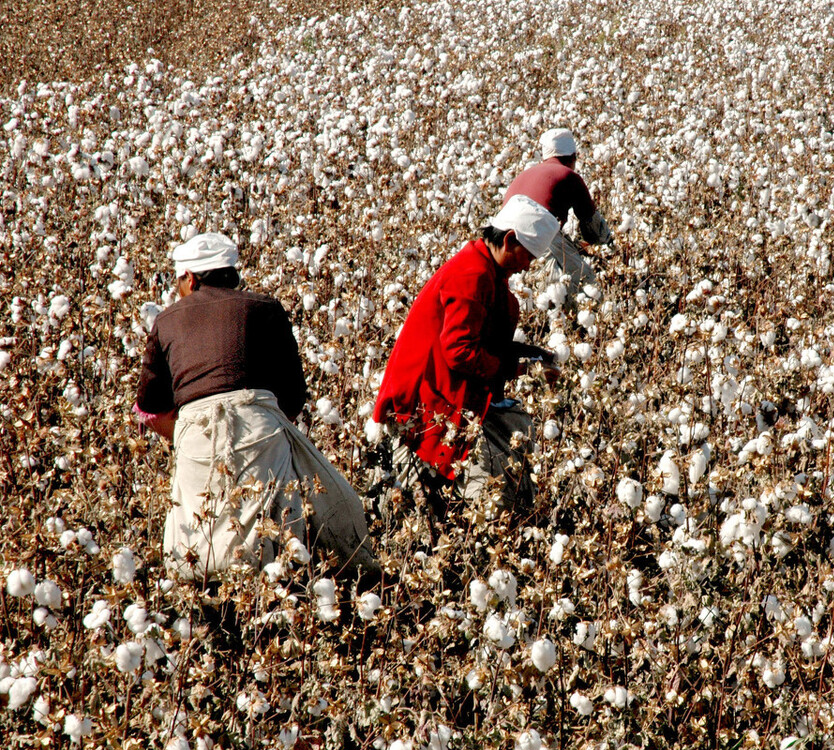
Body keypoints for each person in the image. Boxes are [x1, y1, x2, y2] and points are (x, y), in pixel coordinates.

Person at [136, 233, 377, 580]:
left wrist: (188, 429)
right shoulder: (264, 308)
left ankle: (213, 616)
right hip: (260, 429)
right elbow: (293, 394)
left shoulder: (167, 321)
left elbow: (149, 403)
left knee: (198, 545)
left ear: (190, 277)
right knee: (284, 537)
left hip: (195, 438)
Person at [372, 195, 560, 516]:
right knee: (464, 502)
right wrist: (512, 369)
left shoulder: (486, 272)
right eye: (528, 256)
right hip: (423, 403)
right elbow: (460, 351)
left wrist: (534, 359)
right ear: (510, 238)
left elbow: (484, 343)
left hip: (444, 397)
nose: (527, 265)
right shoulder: (471, 275)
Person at [505, 128, 614, 295]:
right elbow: (594, 230)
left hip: (504, 242)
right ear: (573, 158)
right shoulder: (569, 175)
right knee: (586, 287)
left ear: (544, 157)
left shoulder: (524, 174)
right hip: (538, 235)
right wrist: (611, 250)